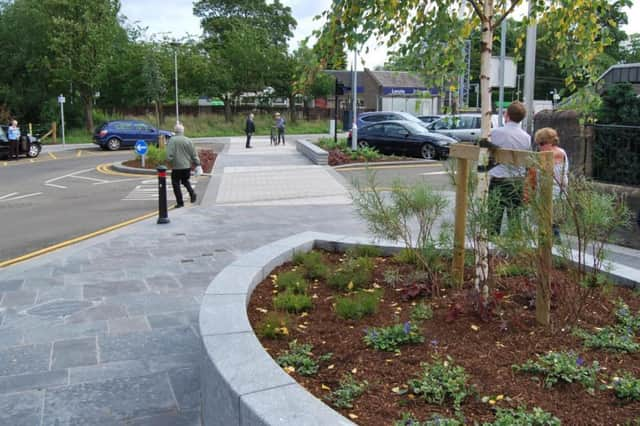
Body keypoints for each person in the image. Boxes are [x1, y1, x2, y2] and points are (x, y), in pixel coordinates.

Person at [488, 101, 532, 235]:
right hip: (517, 180)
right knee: (515, 217)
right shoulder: (527, 137)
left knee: (494, 216)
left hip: (499, 179)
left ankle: (491, 244)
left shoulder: (495, 133)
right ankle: (515, 244)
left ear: (506, 115)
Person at [535, 127, 569, 239]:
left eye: (541, 143)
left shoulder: (555, 153)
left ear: (549, 142)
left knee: (551, 224)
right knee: (549, 224)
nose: (539, 147)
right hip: (549, 192)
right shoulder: (551, 153)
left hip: (554, 193)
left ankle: (553, 249)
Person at [166, 122, 200, 208]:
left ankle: (180, 202)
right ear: (183, 131)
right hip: (186, 166)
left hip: (176, 167)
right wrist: (197, 163)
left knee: (175, 183)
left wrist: (169, 161)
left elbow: (169, 155)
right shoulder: (188, 140)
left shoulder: (172, 140)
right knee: (185, 181)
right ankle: (192, 194)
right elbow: (193, 154)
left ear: (175, 131)